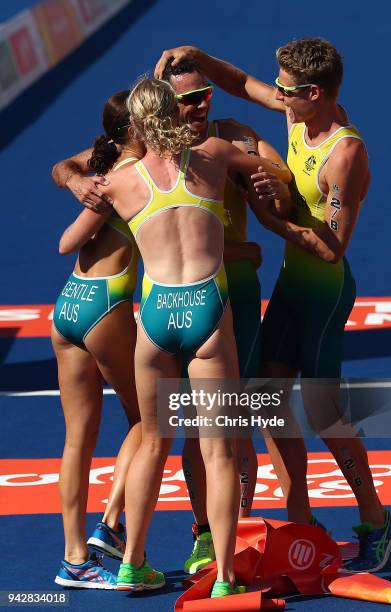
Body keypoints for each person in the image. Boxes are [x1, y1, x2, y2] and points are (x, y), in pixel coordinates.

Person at [155, 39, 391, 572]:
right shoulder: (299, 117)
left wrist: (271, 221)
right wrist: (198, 56)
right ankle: (301, 514)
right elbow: (242, 84)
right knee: (267, 400)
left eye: (285, 88)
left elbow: (333, 248)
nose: (276, 94)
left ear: (312, 93)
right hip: (292, 287)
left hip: (323, 294)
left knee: (322, 410)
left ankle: (377, 519)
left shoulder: (345, 153)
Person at [98, 76, 291, 597]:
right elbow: (276, 173)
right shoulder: (213, 153)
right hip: (208, 312)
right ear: (178, 110)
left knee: (152, 445)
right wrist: (273, 185)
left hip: (156, 318)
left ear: (134, 123)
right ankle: (225, 578)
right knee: (220, 452)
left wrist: (82, 181)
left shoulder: (120, 180)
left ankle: (132, 563)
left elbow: (67, 237)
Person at [160, 58, 291, 575]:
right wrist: (75, 183)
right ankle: (202, 531)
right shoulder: (148, 150)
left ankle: (238, 526)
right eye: (187, 100)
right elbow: (71, 166)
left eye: (205, 95)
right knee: (194, 429)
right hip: (181, 299)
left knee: (236, 424)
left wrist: (268, 184)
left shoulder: (232, 136)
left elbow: (282, 180)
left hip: (233, 297)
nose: (200, 106)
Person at [51, 91, 145, 588]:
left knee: (77, 439)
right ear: (135, 129)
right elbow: (69, 238)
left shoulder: (107, 156)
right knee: (149, 420)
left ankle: (73, 561)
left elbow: (60, 168)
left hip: (68, 305)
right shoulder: (131, 172)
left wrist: (76, 181)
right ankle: (109, 525)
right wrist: (98, 197)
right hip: (106, 306)